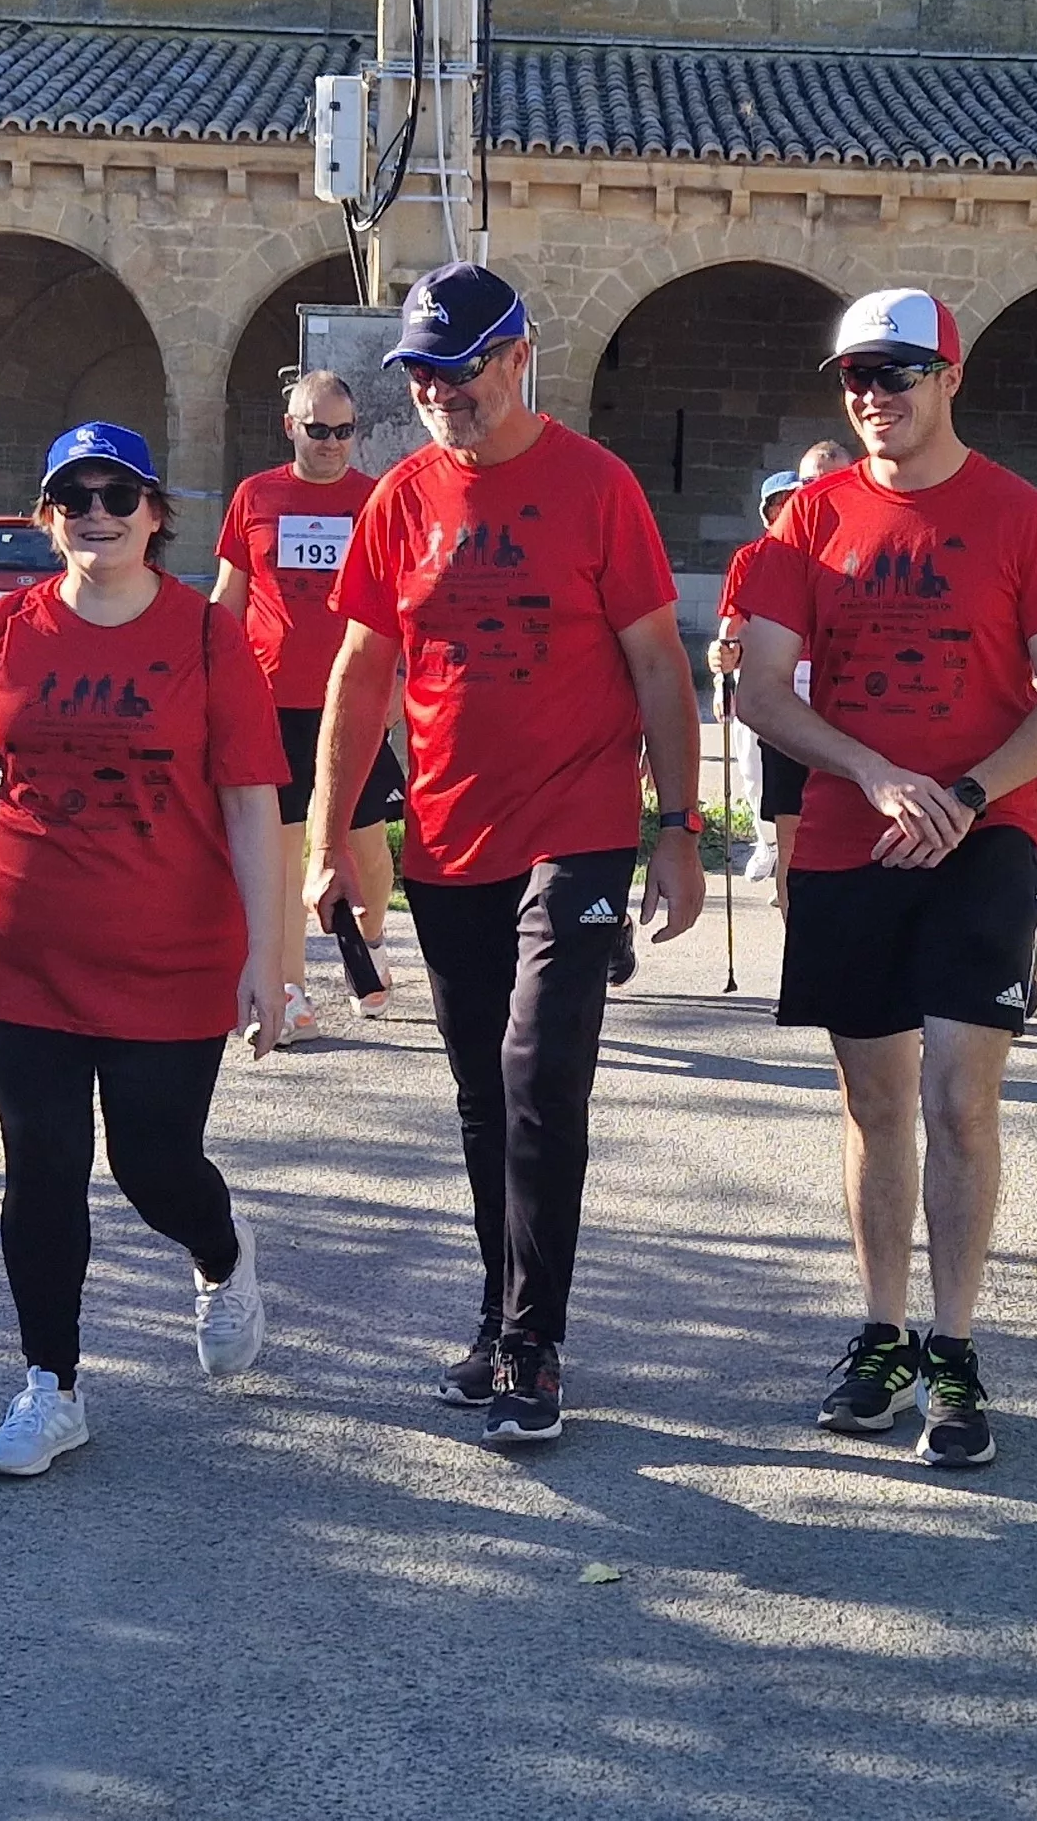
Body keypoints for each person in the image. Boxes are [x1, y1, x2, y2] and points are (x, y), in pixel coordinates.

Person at [306, 262, 707, 1447]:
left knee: (540, 1079)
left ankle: (535, 1344)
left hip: (576, 828)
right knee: (483, 1095)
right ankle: (495, 1316)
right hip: (445, 833)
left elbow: (657, 668)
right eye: (420, 375)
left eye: (460, 369)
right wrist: (335, 838)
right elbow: (359, 678)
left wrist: (676, 833)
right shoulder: (401, 500)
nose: (439, 394)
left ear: (518, 355)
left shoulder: (596, 487)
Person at [0, 421, 288, 1479]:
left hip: (171, 953)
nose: (98, 511)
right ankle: (52, 1387)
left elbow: (249, 800)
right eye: (74, 496)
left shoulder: (203, 637)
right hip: (22, 951)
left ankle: (221, 1257)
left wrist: (271, 958)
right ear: (49, 517)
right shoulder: (5, 631)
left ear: (153, 515)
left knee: (153, 1167)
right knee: (41, 1166)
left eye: (119, 494)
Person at [734, 285, 1037, 1469]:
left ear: (949, 378)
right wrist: (878, 774)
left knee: (958, 1098)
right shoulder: (808, 522)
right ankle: (881, 1332)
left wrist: (968, 796)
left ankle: (954, 1348)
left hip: (983, 838)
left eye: (897, 374)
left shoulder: (1020, 518)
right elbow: (764, 693)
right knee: (875, 1102)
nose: (874, 396)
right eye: (855, 378)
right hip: (853, 839)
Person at [213, 370, 396, 1043]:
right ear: (291, 426)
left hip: (356, 698)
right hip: (271, 698)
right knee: (285, 846)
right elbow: (229, 597)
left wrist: (400, 682)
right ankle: (288, 991)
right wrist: (207, 675)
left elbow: (405, 604)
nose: (331, 444)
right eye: (317, 430)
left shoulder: (377, 501)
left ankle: (370, 939)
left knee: (364, 841)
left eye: (344, 432)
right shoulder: (256, 496)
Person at [710, 439, 852, 909]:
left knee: (849, 822)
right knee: (783, 811)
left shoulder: (872, 545)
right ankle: (798, 930)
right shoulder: (769, 555)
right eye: (808, 484)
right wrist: (723, 670)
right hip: (785, 690)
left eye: (831, 482)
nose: (815, 494)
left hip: (853, 700)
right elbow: (735, 625)